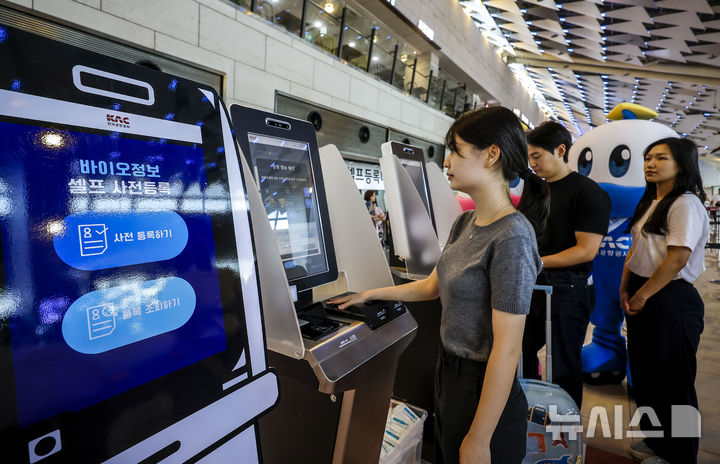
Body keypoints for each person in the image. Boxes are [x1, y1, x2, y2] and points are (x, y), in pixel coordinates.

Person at [331, 107, 548, 464]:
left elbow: (507, 351)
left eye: (457, 150)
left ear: (492, 154)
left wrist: (480, 438)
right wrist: (369, 293)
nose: (446, 161)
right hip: (448, 375)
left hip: (483, 390)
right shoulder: (467, 222)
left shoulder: (512, 236)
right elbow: (433, 286)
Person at [621, 137, 708, 464]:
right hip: (646, 293)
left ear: (682, 165)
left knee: (674, 383)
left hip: (671, 297)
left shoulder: (685, 203)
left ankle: (681, 455)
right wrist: (624, 287)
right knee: (646, 378)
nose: (651, 164)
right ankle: (659, 443)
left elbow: (676, 259)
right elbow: (636, 251)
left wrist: (642, 295)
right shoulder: (650, 202)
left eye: (661, 158)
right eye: (648, 158)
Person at [522, 121, 610, 408]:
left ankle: (565, 430)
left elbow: (585, 251)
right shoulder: (537, 190)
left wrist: (535, 262)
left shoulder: (588, 193)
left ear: (560, 150)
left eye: (537, 156)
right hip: (534, 284)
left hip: (568, 290)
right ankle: (528, 413)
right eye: (529, 157)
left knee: (563, 365)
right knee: (521, 351)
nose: (532, 163)